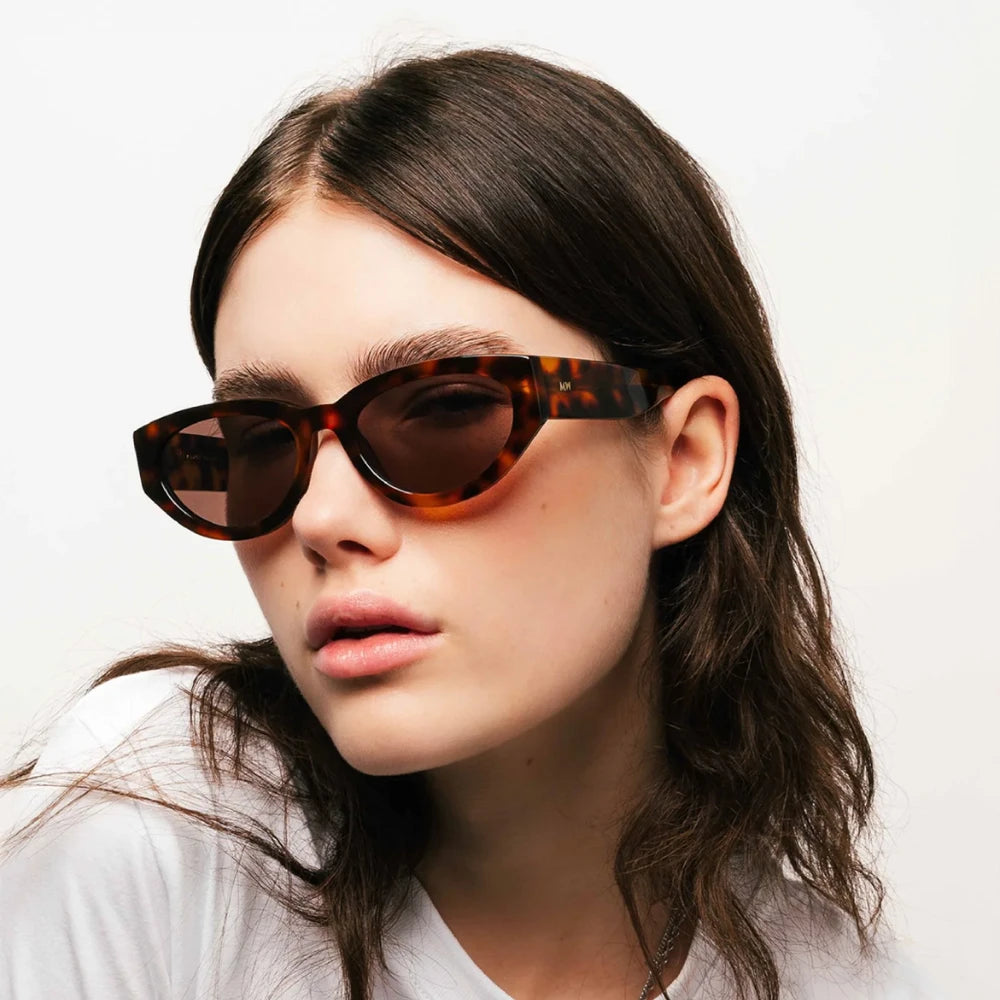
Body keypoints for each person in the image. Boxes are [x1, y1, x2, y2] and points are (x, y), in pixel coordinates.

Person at [0, 47, 926, 1000]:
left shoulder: (848, 984)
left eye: (448, 412)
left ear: (682, 461)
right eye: (259, 443)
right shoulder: (149, 833)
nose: (321, 518)